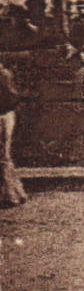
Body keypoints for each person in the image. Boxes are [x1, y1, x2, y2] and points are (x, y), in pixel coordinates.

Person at [1, 59, 25, 208]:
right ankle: (18, 193)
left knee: (3, 157)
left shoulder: (3, 75)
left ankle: (11, 196)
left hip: (2, 116)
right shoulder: (5, 74)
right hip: (7, 115)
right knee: (4, 156)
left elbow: (10, 99)